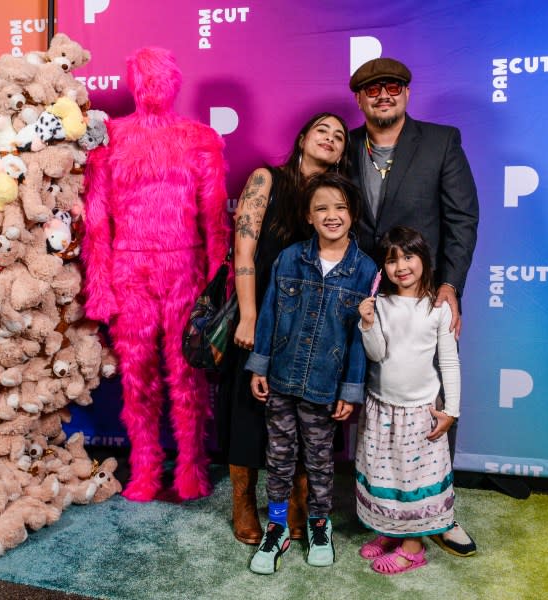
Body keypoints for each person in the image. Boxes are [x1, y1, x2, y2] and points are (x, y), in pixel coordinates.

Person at [82, 48, 229, 502]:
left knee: (189, 374)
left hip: (185, 269)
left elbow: (214, 219)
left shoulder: (199, 138)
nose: (153, 86)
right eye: (144, 78)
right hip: (130, 271)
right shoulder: (110, 138)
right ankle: (144, 468)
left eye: (161, 77)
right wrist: (100, 288)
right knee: (136, 374)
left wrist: (217, 286)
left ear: (175, 83)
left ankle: (191, 467)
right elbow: (96, 220)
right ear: (133, 83)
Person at [348, 57, 479, 556]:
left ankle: (440, 515)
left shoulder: (442, 141)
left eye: (393, 87)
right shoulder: (346, 148)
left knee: (435, 394)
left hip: (423, 290)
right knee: (375, 402)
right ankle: (381, 506)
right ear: (359, 98)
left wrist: (450, 284)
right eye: (372, 89)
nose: (384, 95)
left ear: (406, 92)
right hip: (364, 294)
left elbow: (463, 219)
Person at [217, 113, 350, 545]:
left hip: (309, 326)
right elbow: (244, 247)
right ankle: (243, 501)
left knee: (300, 414)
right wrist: (250, 316)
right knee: (248, 414)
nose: (330, 139)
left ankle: (296, 500)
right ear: (302, 138)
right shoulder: (266, 180)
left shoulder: (335, 197)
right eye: (322, 131)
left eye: (339, 136)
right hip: (258, 314)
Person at [245, 172, 376, 574]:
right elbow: (267, 313)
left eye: (339, 207)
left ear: (352, 214)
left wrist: (350, 390)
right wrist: (260, 365)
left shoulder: (365, 270)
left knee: (320, 460)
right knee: (279, 457)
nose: (331, 215)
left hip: (324, 386)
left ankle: (320, 523)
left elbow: (360, 338)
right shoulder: (290, 258)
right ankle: (279, 525)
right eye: (321, 208)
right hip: (282, 378)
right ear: (308, 215)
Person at [355, 226, 461, 574]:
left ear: (423, 259)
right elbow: (377, 353)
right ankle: (390, 530)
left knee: (413, 480)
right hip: (382, 408)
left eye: (408, 256)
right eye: (391, 259)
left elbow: (448, 361)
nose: (401, 266)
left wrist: (451, 411)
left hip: (420, 413)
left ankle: (413, 547)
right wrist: (368, 324)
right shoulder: (381, 304)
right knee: (386, 476)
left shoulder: (438, 308)